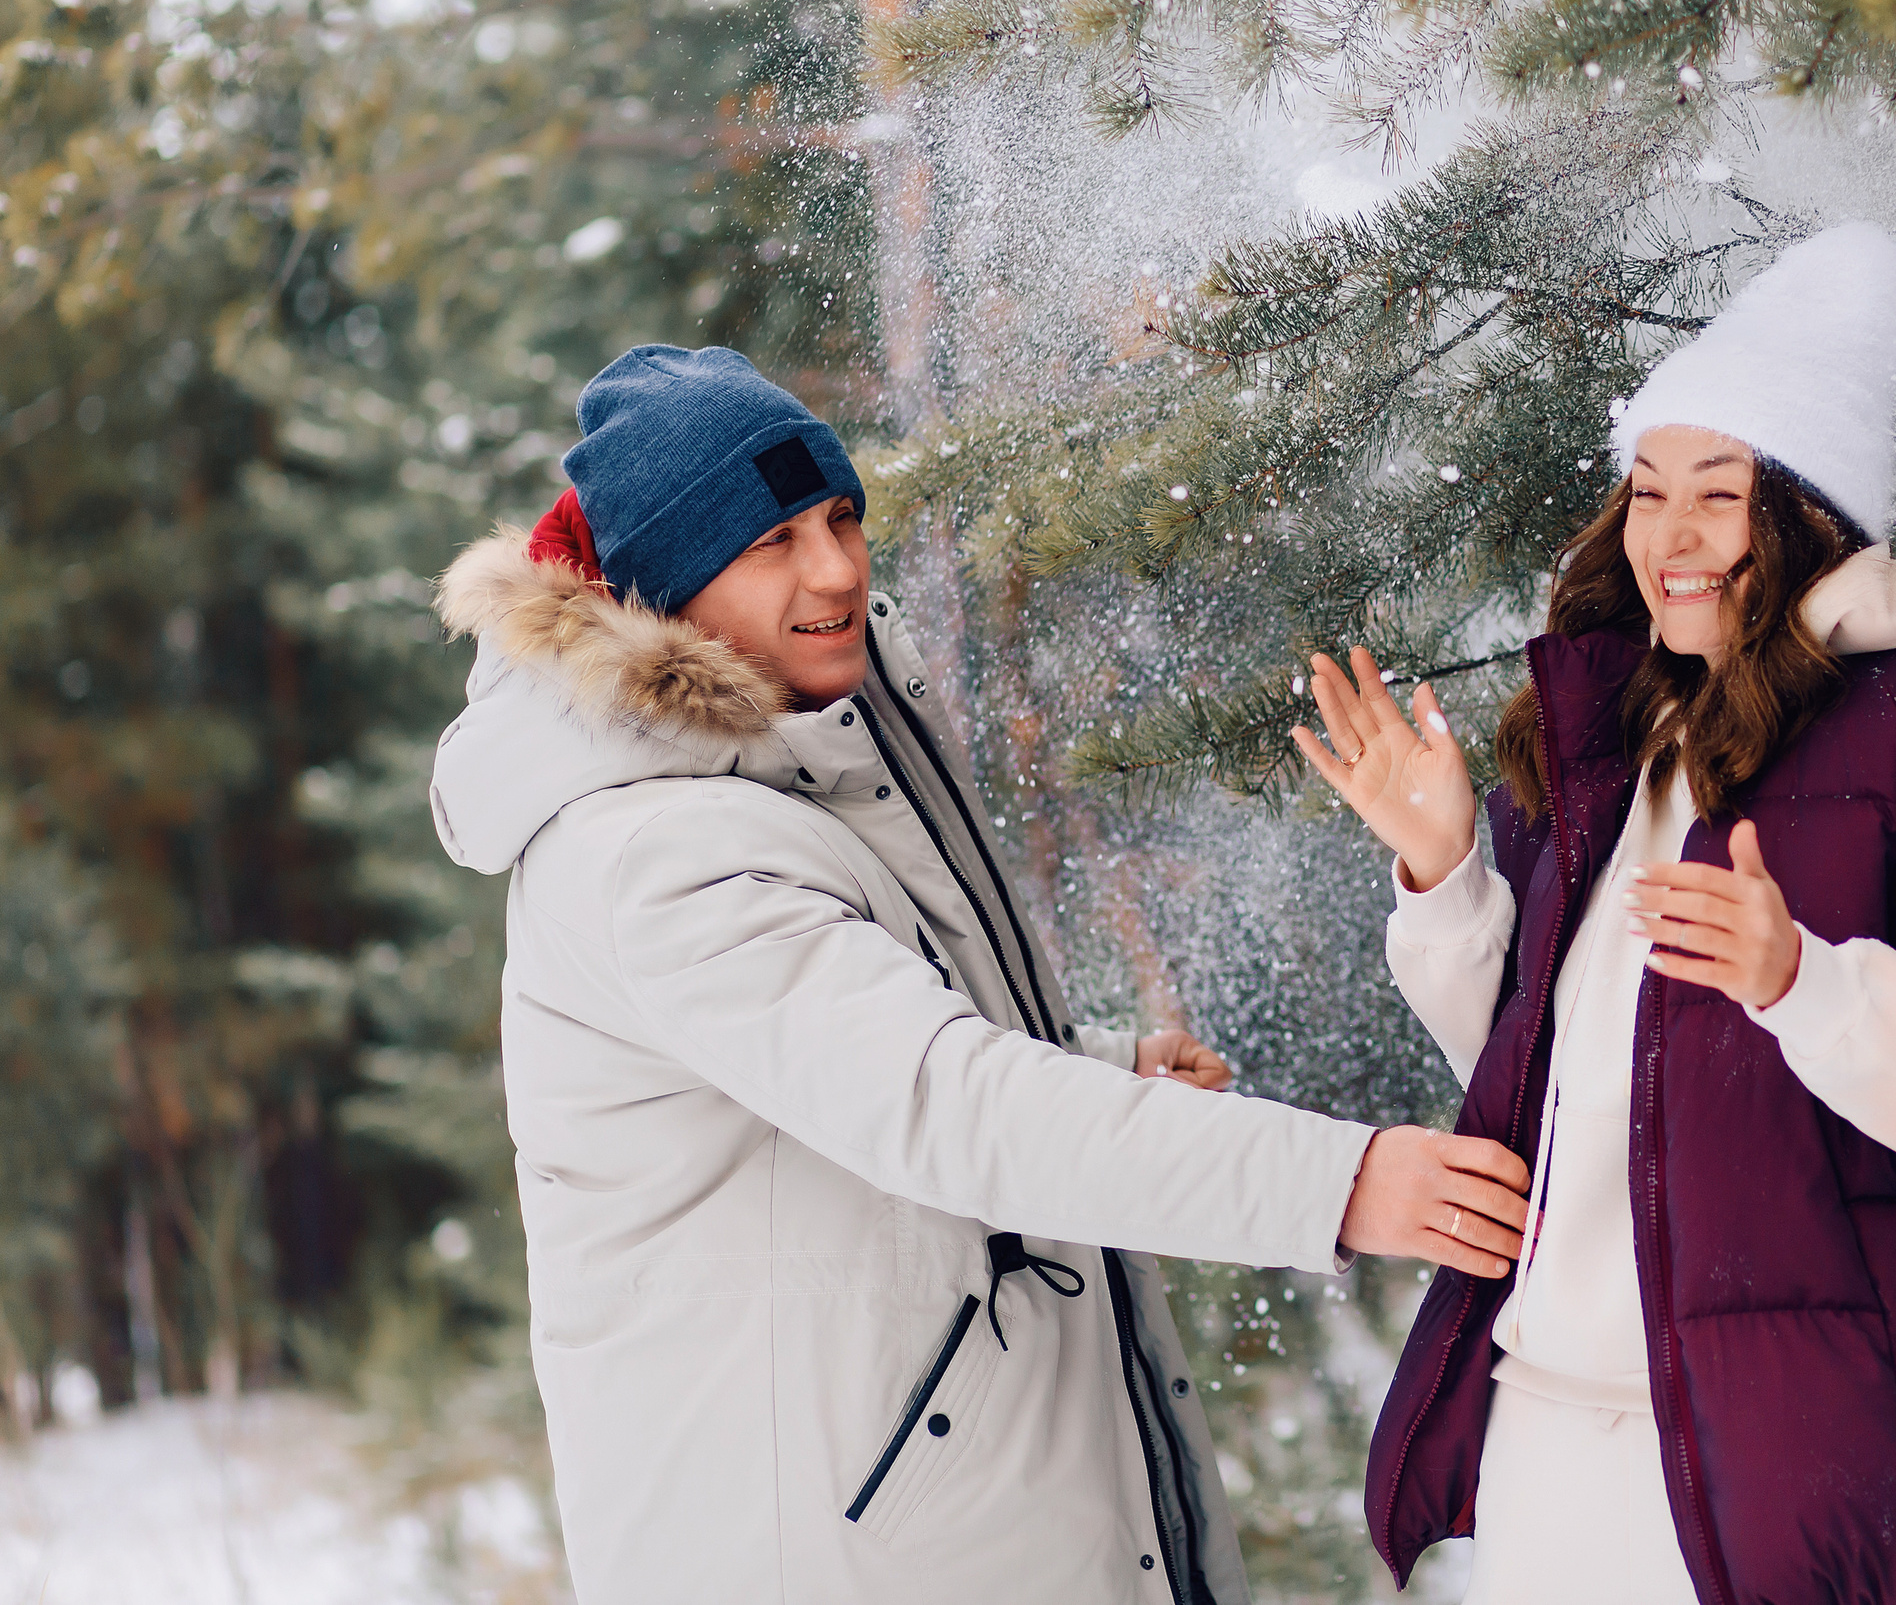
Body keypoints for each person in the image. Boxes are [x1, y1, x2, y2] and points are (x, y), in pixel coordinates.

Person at [428, 344, 1531, 1605]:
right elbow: (944, 1104)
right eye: (772, 541)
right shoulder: (653, 851)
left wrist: (1094, 1069)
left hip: (944, 1512)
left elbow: (847, 1060)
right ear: (662, 593)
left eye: (841, 518)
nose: (837, 569)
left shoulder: (792, 761)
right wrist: (1335, 1184)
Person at [1292, 225, 1896, 1604]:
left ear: (1801, 512)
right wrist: (1448, 874)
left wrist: (1807, 984)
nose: (1667, 537)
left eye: (1717, 496)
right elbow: (1562, 1093)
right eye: (1647, 489)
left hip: (1793, 1471)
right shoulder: (1629, 733)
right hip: (1555, 1445)